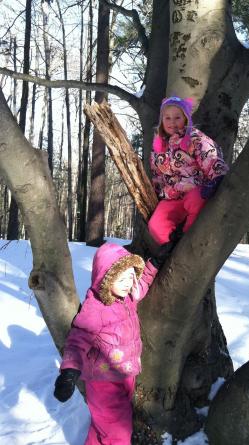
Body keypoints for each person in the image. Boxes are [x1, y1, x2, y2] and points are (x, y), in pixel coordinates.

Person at [53, 242, 168, 445]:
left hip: (125, 377)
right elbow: (77, 340)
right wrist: (69, 372)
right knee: (118, 433)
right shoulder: (95, 308)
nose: (127, 283)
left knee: (103, 428)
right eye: (121, 278)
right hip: (103, 384)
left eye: (130, 277)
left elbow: (142, 284)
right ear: (105, 279)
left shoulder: (128, 296)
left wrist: (154, 265)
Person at [148, 95, 229, 245]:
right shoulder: (159, 146)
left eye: (177, 117)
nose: (172, 122)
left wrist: (217, 177)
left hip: (195, 189)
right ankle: (170, 247)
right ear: (162, 120)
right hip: (172, 196)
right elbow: (157, 173)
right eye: (167, 118)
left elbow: (210, 157)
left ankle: (188, 237)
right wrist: (156, 191)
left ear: (185, 118)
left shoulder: (195, 138)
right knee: (156, 225)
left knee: (195, 201)